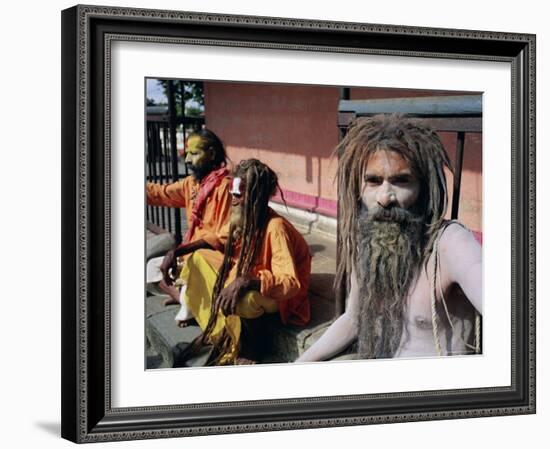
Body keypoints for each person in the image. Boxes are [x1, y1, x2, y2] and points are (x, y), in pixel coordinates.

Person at [297, 114, 482, 362]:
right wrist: (300, 365)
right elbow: (353, 318)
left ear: (424, 188)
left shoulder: (450, 244)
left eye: (401, 181)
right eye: (373, 181)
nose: (385, 198)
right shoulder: (372, 244)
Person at [180, 159, 312, 365]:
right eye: (232, 193)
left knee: (243, 296)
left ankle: (253, 346)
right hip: (255, 277)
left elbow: (290, 283)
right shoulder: (244, 218)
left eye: (239, 194)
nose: (233, 199)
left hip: (284, 299)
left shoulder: (276, 228)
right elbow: (220, 239)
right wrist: (179, 250)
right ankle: (220, 332)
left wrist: (246, 281)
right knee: (198, 259)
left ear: (256, 197)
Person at [146, 129, 232, 324]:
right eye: (187, 154)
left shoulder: (225, 186)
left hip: (213, 257)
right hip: (189, 254)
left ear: (211, 153)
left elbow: (223, 238)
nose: (187, 160)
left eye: (194, 153)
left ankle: (187, 300)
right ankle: (184, 298)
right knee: (152, 267)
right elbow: (162, 193)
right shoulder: (191, 184)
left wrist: (180, 252)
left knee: (195, 263)